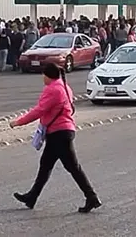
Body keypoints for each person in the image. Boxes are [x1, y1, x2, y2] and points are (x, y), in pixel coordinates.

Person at [10, 63, 101, 213]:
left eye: (43, 75)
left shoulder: (53, 89)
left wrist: (18, 122)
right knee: (47, 165)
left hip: (59, 132)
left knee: (71, 167)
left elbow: (39, 110)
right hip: (63, 131)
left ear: (48, 75)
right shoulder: (64, 86)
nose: (42, 78)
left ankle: (91, 197)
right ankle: (32, 197)